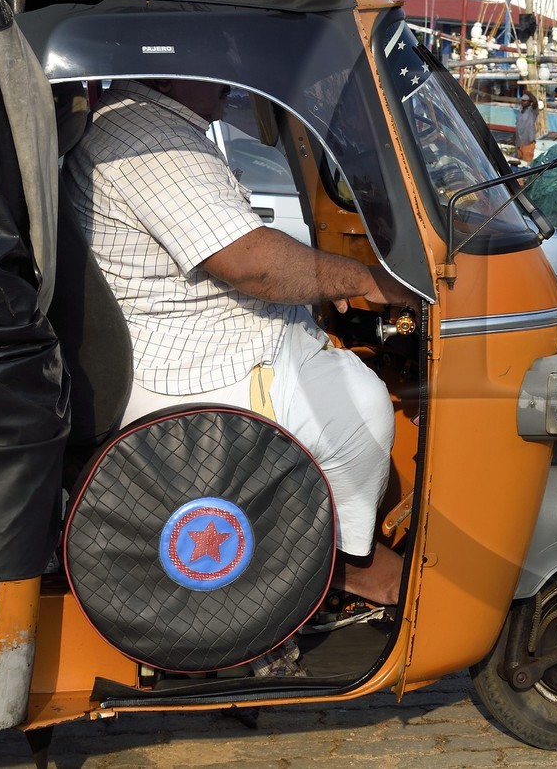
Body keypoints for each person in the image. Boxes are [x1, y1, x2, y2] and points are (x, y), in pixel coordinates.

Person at [63, 79, 412, 606]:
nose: (227, 78)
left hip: (197, 342)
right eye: (213, 55)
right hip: (192, 367)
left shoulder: (147, 123)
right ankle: (340, 565)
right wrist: (362, 280)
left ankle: (326, 548)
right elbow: (252, 264)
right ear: (170, 65)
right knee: (358, 408)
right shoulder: (148, 137)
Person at [516, 90, 540, 163]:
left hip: (528, 141)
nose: (523, 102)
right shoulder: (520, 112)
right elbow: (517, 126)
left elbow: (535, 102)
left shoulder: (532, 110)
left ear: (529, 102)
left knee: (527, 161)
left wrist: (528, 93)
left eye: (525, 101)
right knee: (519, 161)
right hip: (519, 141)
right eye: (522, 100)